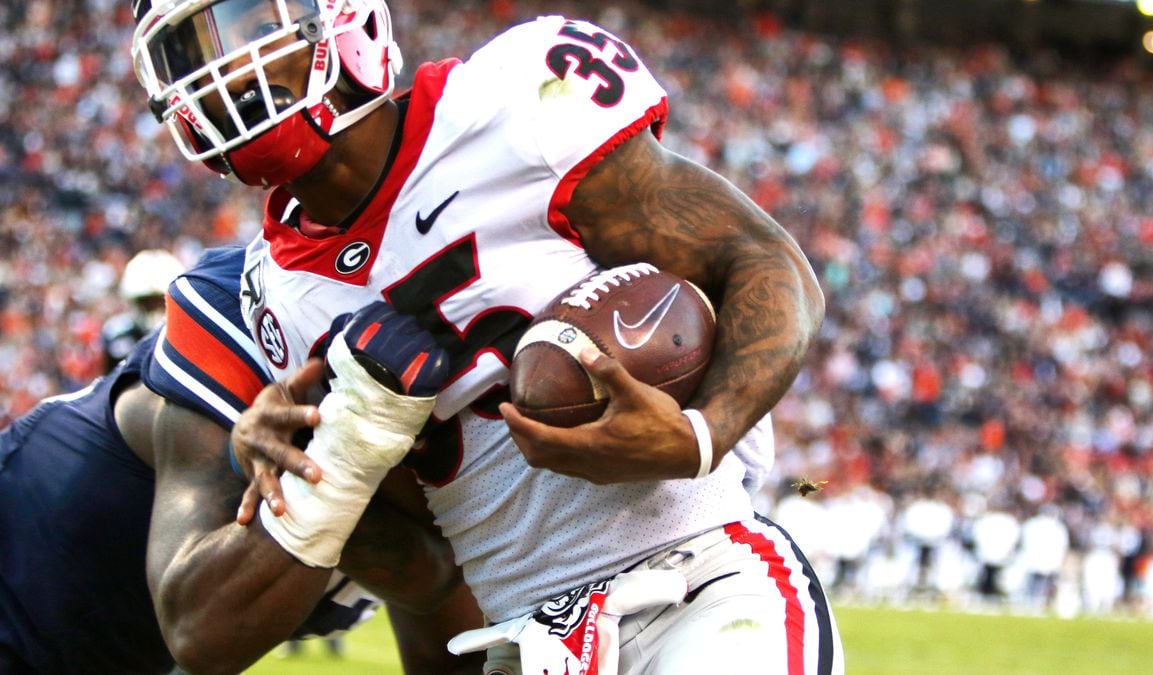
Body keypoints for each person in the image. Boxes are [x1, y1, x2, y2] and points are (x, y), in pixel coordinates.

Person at [132, 1, 840, 672]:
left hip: (699, 582)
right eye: (188, 54)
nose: (221, 71)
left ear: (345, 22)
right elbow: (427, 566)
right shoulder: (273, 297)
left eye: (245, 24)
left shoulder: (512, 103)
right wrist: (303, 459)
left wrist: (701, 436)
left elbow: (763, 260)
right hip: (525, 641)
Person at [0, 246, 481, 674]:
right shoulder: (265, 300)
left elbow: (443, 624)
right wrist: (345, 456)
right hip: (30, 560)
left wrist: (345, 464)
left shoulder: (476, 446)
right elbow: (201, 631)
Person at [99, 248, 185, 369]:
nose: (154, 309)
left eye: (159, 302)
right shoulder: (118, 334)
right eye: (147, 303)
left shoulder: (187, 334)